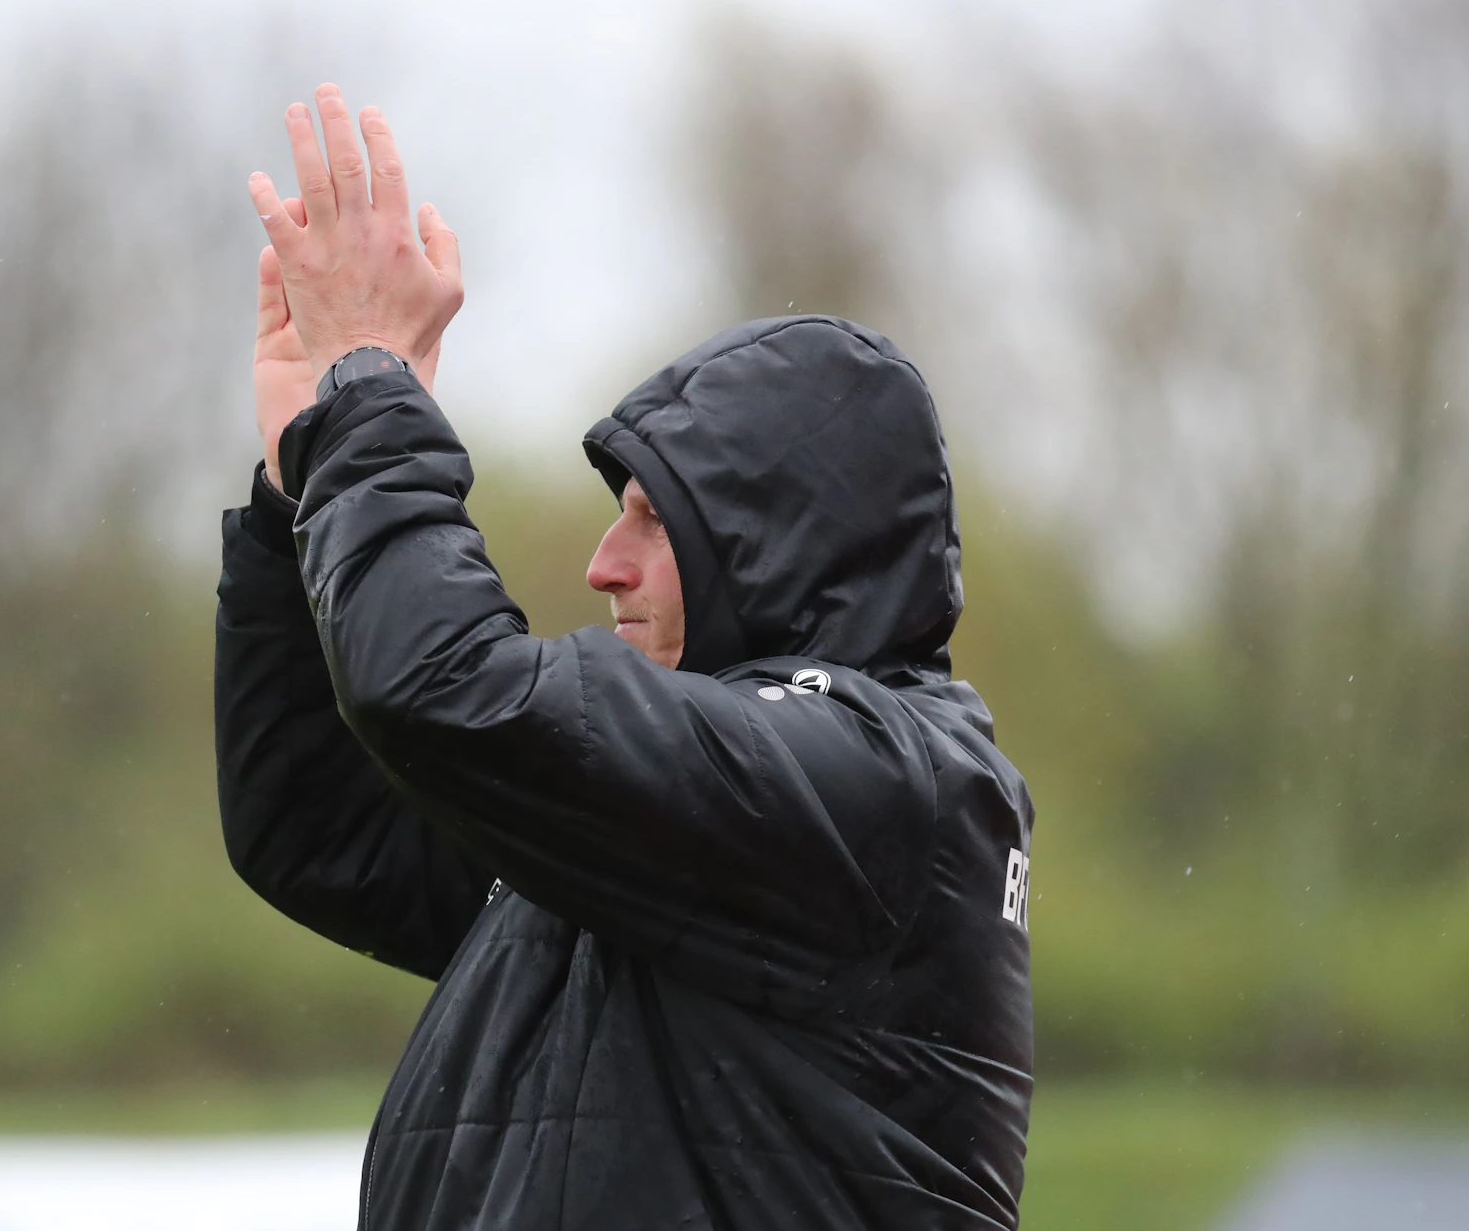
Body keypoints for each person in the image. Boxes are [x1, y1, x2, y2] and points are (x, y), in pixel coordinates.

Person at [215, 84, 1035, 1230]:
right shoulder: (685, 832)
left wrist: (368, 391)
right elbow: (318, 824)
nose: (604, 563)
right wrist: (299, 485)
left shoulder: (879, 783)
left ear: (776, 546)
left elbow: (445, 691)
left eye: (657, 521)